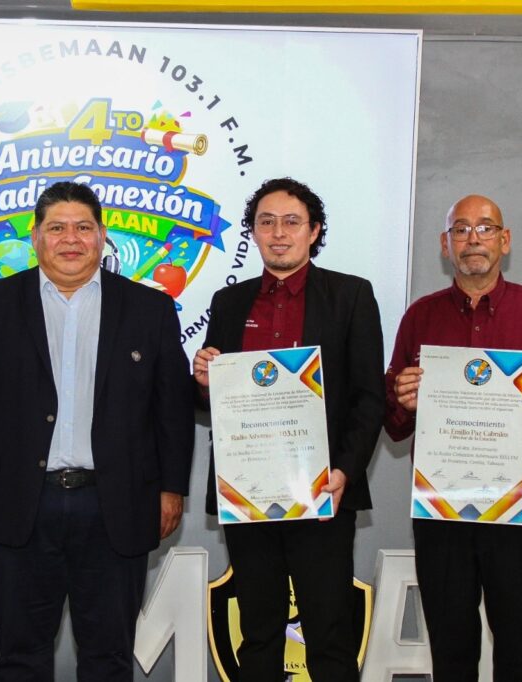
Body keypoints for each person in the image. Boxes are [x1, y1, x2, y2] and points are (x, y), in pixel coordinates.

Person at [0, 180, 195, 681]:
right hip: (17, 503)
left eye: (83, 227)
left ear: (102, 236)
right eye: (56, 228)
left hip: (115, 504)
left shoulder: (150, 308)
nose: (70, 239)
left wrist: (171, 488)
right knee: (20, 657)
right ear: (35, 237)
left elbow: (173, 410)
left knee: (109, 658)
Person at [384, 194, 522, 681]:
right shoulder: (420, 317)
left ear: (505, 240)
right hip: (443, 506)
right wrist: (402, 400)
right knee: (450, 653)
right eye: (460, 229)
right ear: (445, 245)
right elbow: (393, 423)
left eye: (485, 228)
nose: (473, 239)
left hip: (521, 504)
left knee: (519, 651)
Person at [193, 177, 385, 682]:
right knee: (258, 633)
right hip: (248, 492)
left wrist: (345, 471)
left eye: (292, 222)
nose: (279, 233)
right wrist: (204, 380)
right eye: (266, 222)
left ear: (314, 231)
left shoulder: (350, 295)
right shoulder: (229, 301)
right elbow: (215, 401)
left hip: (322, 491)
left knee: (329, 635)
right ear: (253, 232)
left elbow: (370, 397)